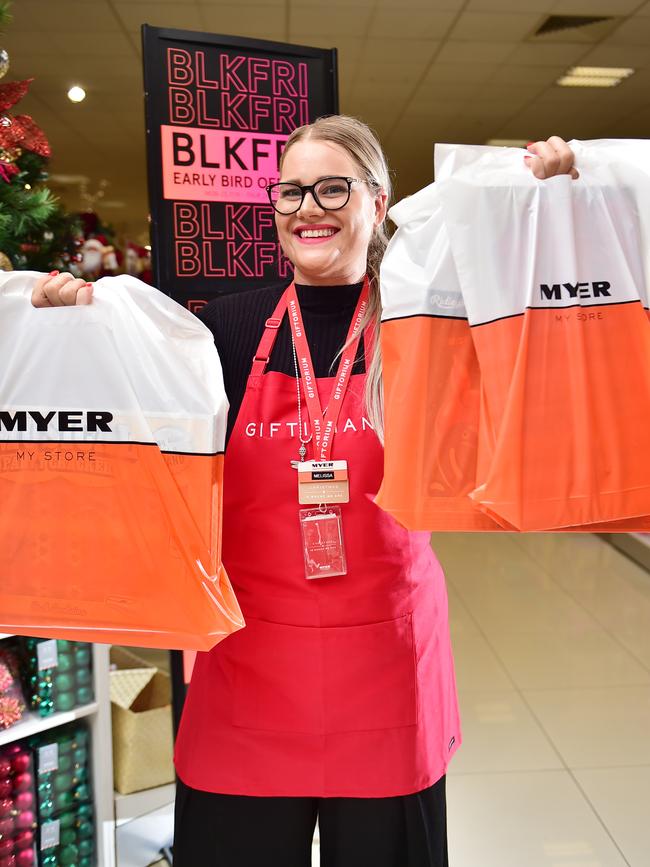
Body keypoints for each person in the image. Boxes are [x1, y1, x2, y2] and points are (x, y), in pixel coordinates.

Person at [32, 119, 577, 867]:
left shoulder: (425, 325)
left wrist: (562, 205)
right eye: (291, 191)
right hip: (246, 670)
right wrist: (72, 330)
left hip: (386, 672)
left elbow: (538, 327)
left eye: (332, 188)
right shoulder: (219, 331)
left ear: (378, 202)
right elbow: (124, 433)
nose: (307, 208)